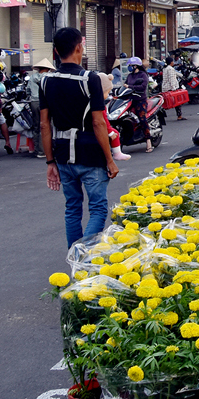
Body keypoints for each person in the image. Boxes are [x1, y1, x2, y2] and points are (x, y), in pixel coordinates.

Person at [40, 27, 119, 248]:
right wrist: (110, 159)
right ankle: (83, 257)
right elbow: (98, 122)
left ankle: (74, 256)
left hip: (63, 154)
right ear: (78, 48)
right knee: (98, 209)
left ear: (56, 51)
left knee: (72, 207)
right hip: (90, 154)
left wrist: (49, 161)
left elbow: (44, 125)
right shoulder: (89, 79)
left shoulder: (45, 81)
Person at [98, 73, 131, 162]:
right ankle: (117, 153)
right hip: (100, 129)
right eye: (107, 92)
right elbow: (103, 120)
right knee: (115, 132)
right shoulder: (100, 104)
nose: (108, 95)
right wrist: (109, 132)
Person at [122, 57, 153, 153]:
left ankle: (148, 142)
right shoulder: (130, 76)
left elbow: (142, 86)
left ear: (136, 66)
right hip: (130, 100)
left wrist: (130, 87)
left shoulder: (143, 75)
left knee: (142, 119)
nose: (129, 68)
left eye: (130, 66)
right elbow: (125, 85)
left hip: (140, 100)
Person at [28, 58, 56, 157]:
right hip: (45, 103)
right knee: (47, 125)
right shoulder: (49, 77)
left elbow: (28, 90)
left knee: (36, 126)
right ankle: (45, 150)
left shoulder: (32, 77)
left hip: (34, 102)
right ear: (47, 69)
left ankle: (37, 150)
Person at [161, 55, 185, 121]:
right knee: (177, 102)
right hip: (171, 88)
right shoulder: (170, 69)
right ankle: (179, 115)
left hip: (165, 87)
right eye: (172, 61)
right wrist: (174, 88)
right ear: (171, 62)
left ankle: (162, 114)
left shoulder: (165, 68)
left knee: (166, 102)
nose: (173, 63)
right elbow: (171, 79)